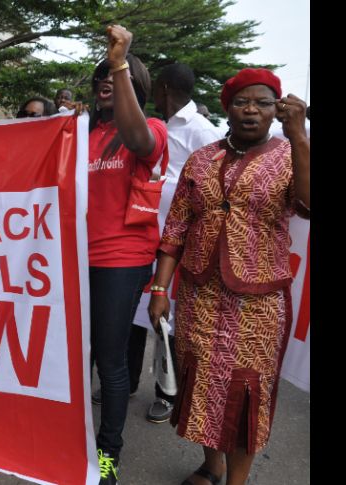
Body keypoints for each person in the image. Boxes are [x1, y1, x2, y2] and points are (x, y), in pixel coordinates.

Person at [148, 68, 309, 485]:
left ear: (277, 110)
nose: (251, 110)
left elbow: (308, 205)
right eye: (242, 102)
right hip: (200, 295)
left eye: (263, 102)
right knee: (201, 382)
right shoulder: (203, 159)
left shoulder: (291, 155)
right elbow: (176, 229)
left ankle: (236, 480)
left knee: (244, 394)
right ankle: (212, 465)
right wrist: (160, 287)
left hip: (258, 302)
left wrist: (300, 137)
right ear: (228, 107)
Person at [87, 25, 168, 484]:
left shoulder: (149, 129)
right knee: (74, 353)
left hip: (121, 258)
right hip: (74, 257)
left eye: (119, 78)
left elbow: (139, 143)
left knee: (109, 358)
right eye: (102, 74)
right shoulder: (77, 134)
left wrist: (121, 62)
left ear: (137, 89)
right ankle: (71, 435)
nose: (108, 79)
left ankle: (107, 455)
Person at [126, 62, 220, 424]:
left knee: (167, 323)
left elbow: (213, 186)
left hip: (177, 245)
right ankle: (130, 380)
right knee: (136, 313)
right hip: (143, 234)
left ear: (163, 88)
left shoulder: (202, 130)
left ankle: (168, 393)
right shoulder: (157, 126)